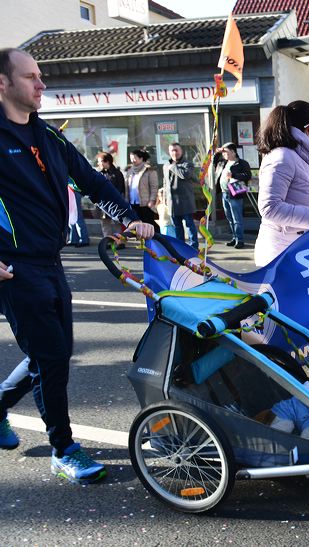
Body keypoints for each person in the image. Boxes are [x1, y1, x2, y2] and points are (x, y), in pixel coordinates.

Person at [0, 48, 155, 484]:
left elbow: (91, 181)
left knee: (51, 352)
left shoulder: (49, 137)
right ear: (3, 84)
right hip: (14, 268)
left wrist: (130, 217)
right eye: (31, 76)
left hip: (51, 261)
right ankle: (63, 447)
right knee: (51, 357)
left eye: (41, 75)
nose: (41, 84)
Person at [254, 100, 309, 267]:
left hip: (298, 252)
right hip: (279, 256)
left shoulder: (304, 158)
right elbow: (269, 207)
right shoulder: (282, 157)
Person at [215, 142, 252, 249]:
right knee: (230, 218)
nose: (224, 154)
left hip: (235, 193)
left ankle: (240, 240)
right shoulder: (222, 163)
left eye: (226, 152)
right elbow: (213, 162)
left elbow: (247, 175)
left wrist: (234, 175)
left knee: (237, 218)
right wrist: (218, 152)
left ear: (233, 152)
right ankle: (234, 237)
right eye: (223, 152)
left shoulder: (241, 163)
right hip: (224, 193)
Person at [163, 142, 199, 250]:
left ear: (181, 151)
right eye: (172, 150)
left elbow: (185, 175)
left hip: (185, 201)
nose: (174, 153)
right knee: (177, 227)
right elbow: (165, 182)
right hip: (172, 202)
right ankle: (180, 246)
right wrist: (164, 198)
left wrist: (173, 166)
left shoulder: (187, 164)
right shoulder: (166, 165)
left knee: (189, 225)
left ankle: (193, 246)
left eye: (176, 150)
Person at [94, 151, 126, 244]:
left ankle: (119, 242)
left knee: (117, 223)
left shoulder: (117, 173)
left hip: (114, 202)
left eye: (100, 161)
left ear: (107, 162)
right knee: (105, 223)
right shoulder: (99, 174)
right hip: (102, 202)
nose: (98, 163)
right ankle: (107, 242)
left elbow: (120, 189)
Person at [124, 148, 159, 231]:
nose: (132, 160)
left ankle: (157, 240)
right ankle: (142, 242)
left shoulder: (149, 171)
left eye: (134, 158)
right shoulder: (129, 171)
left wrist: (152, 200)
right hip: (133, 202)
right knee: (138, 225)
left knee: (148, 223)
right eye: (131, 158)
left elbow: (154, 187)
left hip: (145, 203)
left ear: (141, 158)